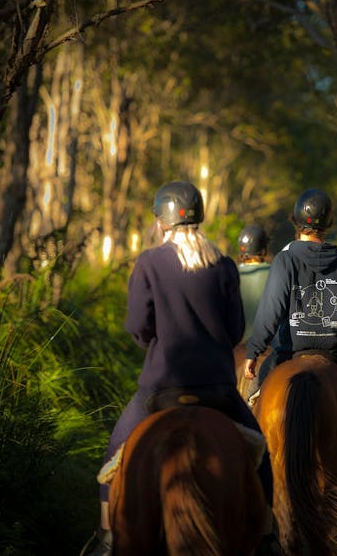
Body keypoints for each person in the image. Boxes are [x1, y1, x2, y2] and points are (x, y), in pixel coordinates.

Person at [88, 181, 274, 556]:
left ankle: (107, 539)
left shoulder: (149, 262)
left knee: (113, 454)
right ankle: (268, 536)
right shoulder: (222, 264)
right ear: (198, 219)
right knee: (261, 454)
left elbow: (139, 327)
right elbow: (236, 330)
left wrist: (155, 342)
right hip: (218, 390)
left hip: (161, 387)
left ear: (162, 222)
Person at [243, 188, 337, 406]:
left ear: (296, 222)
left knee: (254, 397)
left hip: (289, 351)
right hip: (334, 353)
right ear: (328, 224)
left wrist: (254, 351)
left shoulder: (284, 260)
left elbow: (271, 311)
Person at [237, 224, 271, 341]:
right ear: (263, 250)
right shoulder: (275, 272)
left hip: (237, 341)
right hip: (268, 342)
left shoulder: (231, 273)